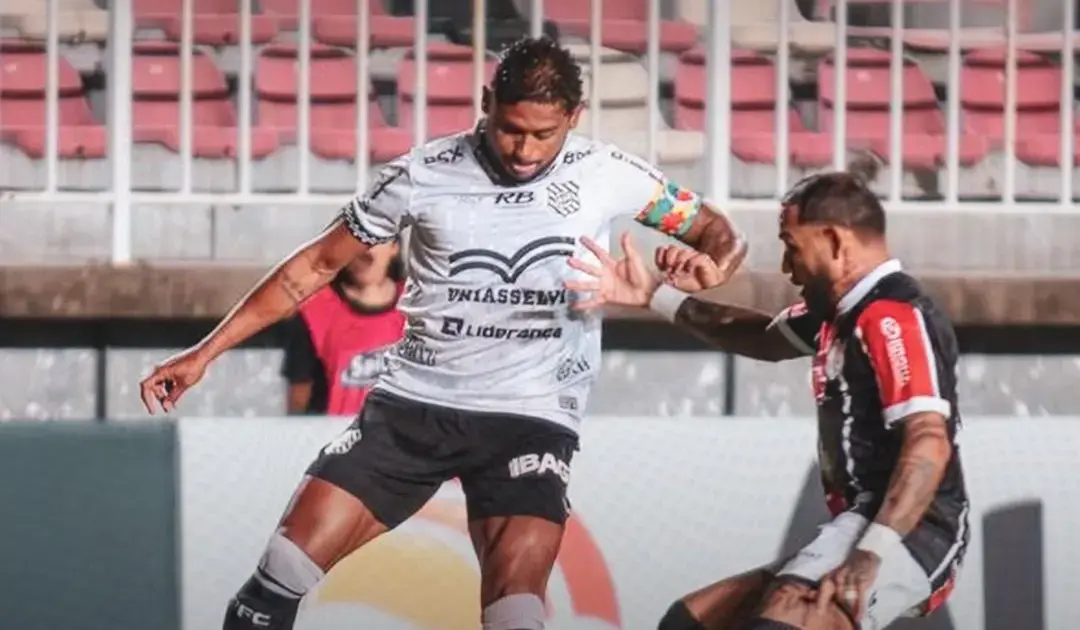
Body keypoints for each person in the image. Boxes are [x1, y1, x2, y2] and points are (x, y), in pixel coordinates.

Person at [138, 36, 748, 630]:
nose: (525, 150)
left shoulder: (607, 172)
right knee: (269, 589)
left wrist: (714, 266)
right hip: (413, 408)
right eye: (511, 129)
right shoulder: (423, 173)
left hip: (530, 416)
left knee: (515, 613)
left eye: (544, 134)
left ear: (574, 116)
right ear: (486, 103)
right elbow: (316, 266)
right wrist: (205, 352)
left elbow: (718, 232)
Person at [567, 164, 970, 630]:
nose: (786, 268)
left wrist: (871, 553)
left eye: (792, 248)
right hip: (864, 524)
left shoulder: (890, 317)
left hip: (914, 531)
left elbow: (928, 443)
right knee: (689, 623)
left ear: (834, 241)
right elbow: (762, 337)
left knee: (781, 621)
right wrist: (655, 295)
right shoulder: (843, 312)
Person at [280, 240, 405, 416]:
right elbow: (299, 396)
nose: (365, 249)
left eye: (377, 239)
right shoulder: (315, 311)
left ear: (394, 247)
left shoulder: (419, 307)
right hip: (335, 430)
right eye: (357, 240)